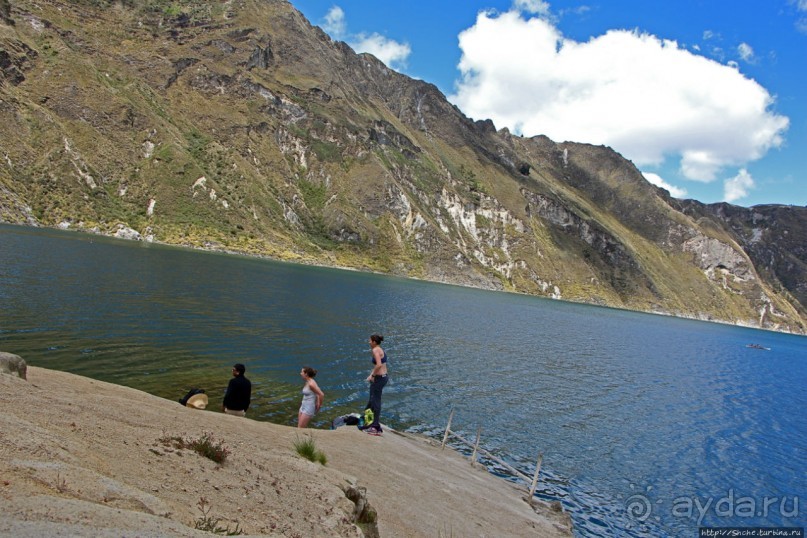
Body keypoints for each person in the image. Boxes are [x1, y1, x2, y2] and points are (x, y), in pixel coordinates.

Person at [363, 334, 388, 435]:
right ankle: (368, 423)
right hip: (381, 378)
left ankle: (375, 428)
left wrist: (372, 376)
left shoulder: (375, 350)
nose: (369, 342)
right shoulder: (379, 349)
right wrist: (372, 375)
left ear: (374, 342)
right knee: (370, 403)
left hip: (379, 379)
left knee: (375, 402)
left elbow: (379, 365)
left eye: (370, 340)